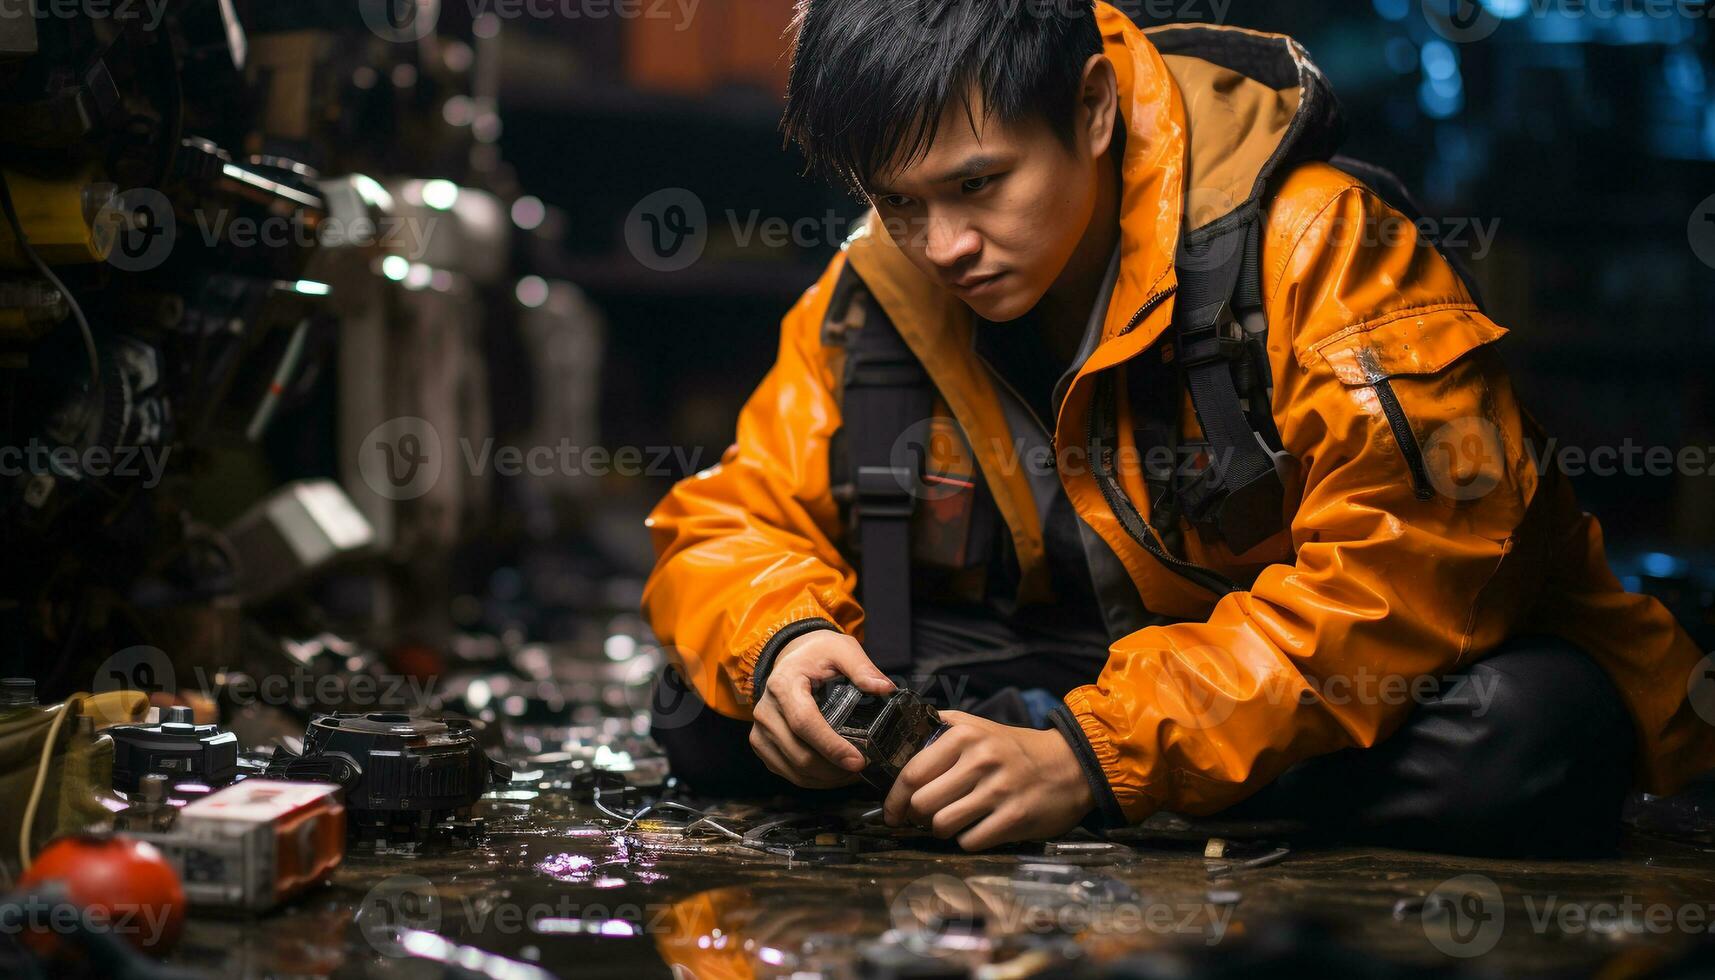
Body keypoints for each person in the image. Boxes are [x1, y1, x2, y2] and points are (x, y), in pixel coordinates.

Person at [640, 0, 1714, 856]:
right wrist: (782, 638)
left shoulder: (1320, 244)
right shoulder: (874, 286)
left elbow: (1408, 576)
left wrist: (1088, 753)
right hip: (1070, 656)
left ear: (1093, 107)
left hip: (1297, 671)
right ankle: (1012, 756)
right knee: (712, 701)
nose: (942, 245)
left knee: (1522, 736)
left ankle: (1038, 762)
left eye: (977, 185)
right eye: (901, 202)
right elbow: (734, 515)